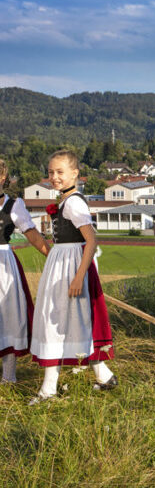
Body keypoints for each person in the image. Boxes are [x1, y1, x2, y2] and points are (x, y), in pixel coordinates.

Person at [29, 150, 115, 404]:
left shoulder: (75, 202)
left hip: (72, 266)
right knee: (67, 322)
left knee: (55, 322)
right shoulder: (66, 200)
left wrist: (78, 278)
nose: (54, 177)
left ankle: (48, 390)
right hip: (62, 263)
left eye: (60, 172)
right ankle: (104, 376)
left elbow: (91, 240)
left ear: (75, 174)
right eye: (50, 172)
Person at [0, 159, 50, 384]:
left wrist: (54, 257)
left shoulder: (13, 205)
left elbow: (32, 235)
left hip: (3, 264)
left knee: (9, 317)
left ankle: (8, 376)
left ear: (2, 178)